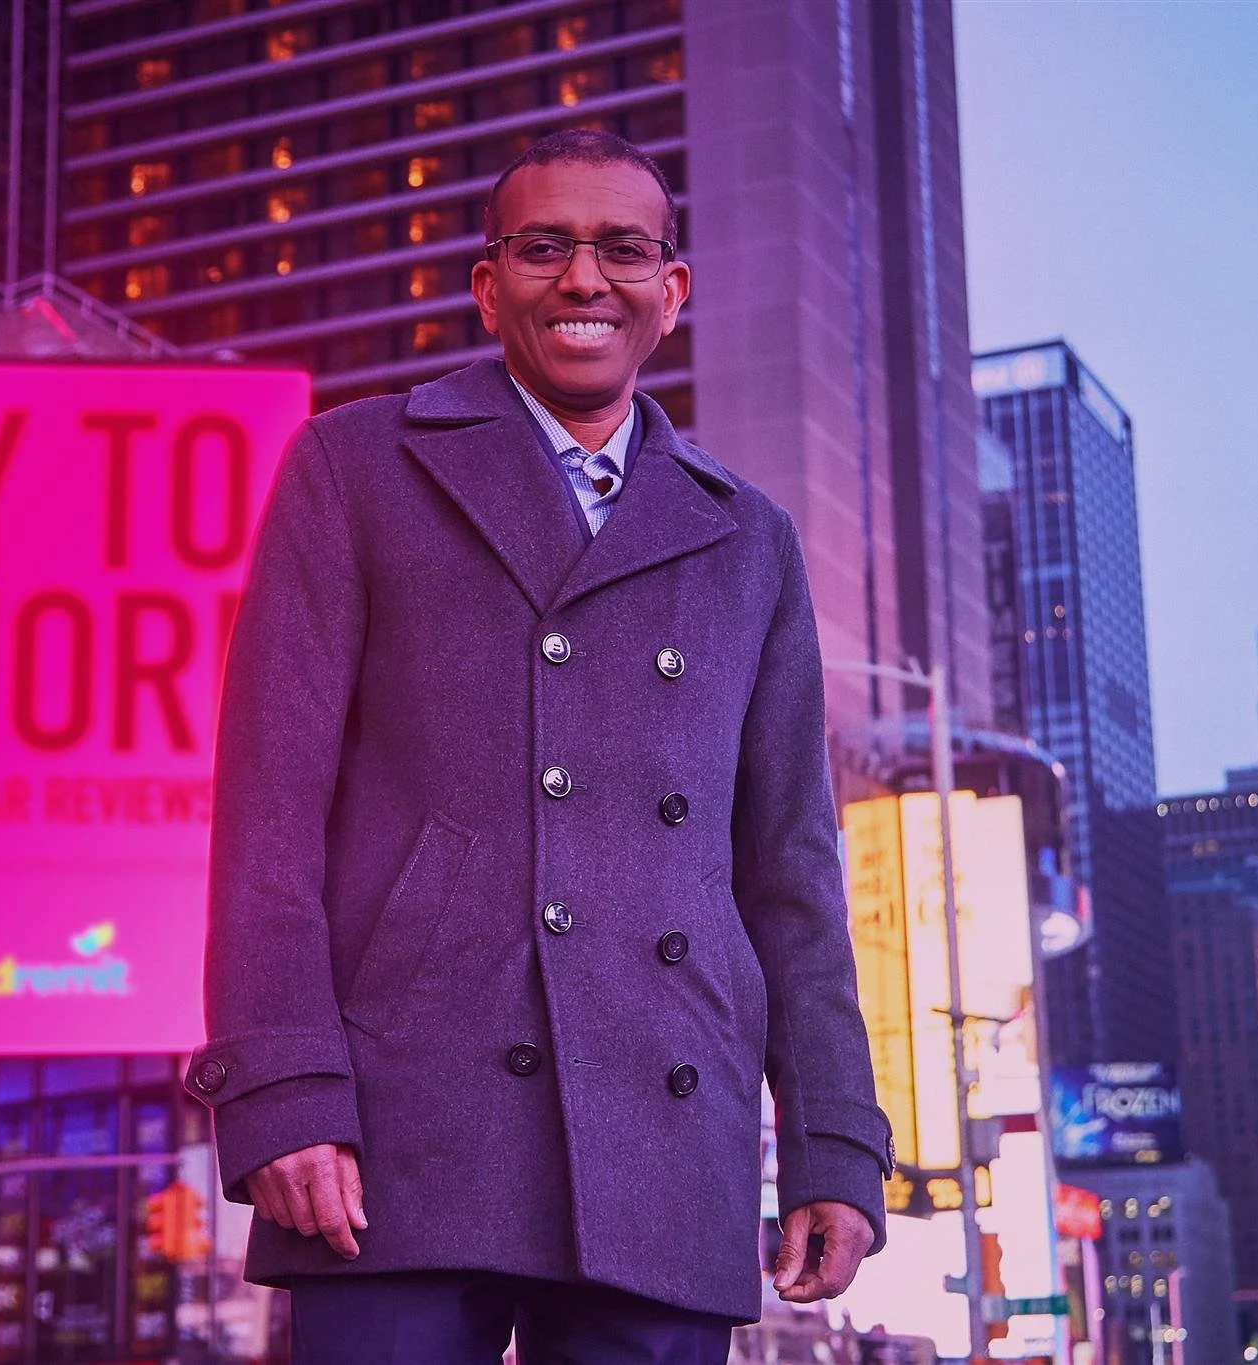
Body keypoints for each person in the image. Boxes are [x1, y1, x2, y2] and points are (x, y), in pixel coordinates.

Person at [187, 129, 891, 1365]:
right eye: (543, 247)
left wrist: (833, 1136)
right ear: (486, 281)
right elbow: (268, 815)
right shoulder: (355, 467)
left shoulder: (749, 539)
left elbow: (790, 872)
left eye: (622, 249)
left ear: (670, 293)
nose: (582, 280)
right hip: (403, 1126)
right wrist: (281, 1093)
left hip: (666, 1123)